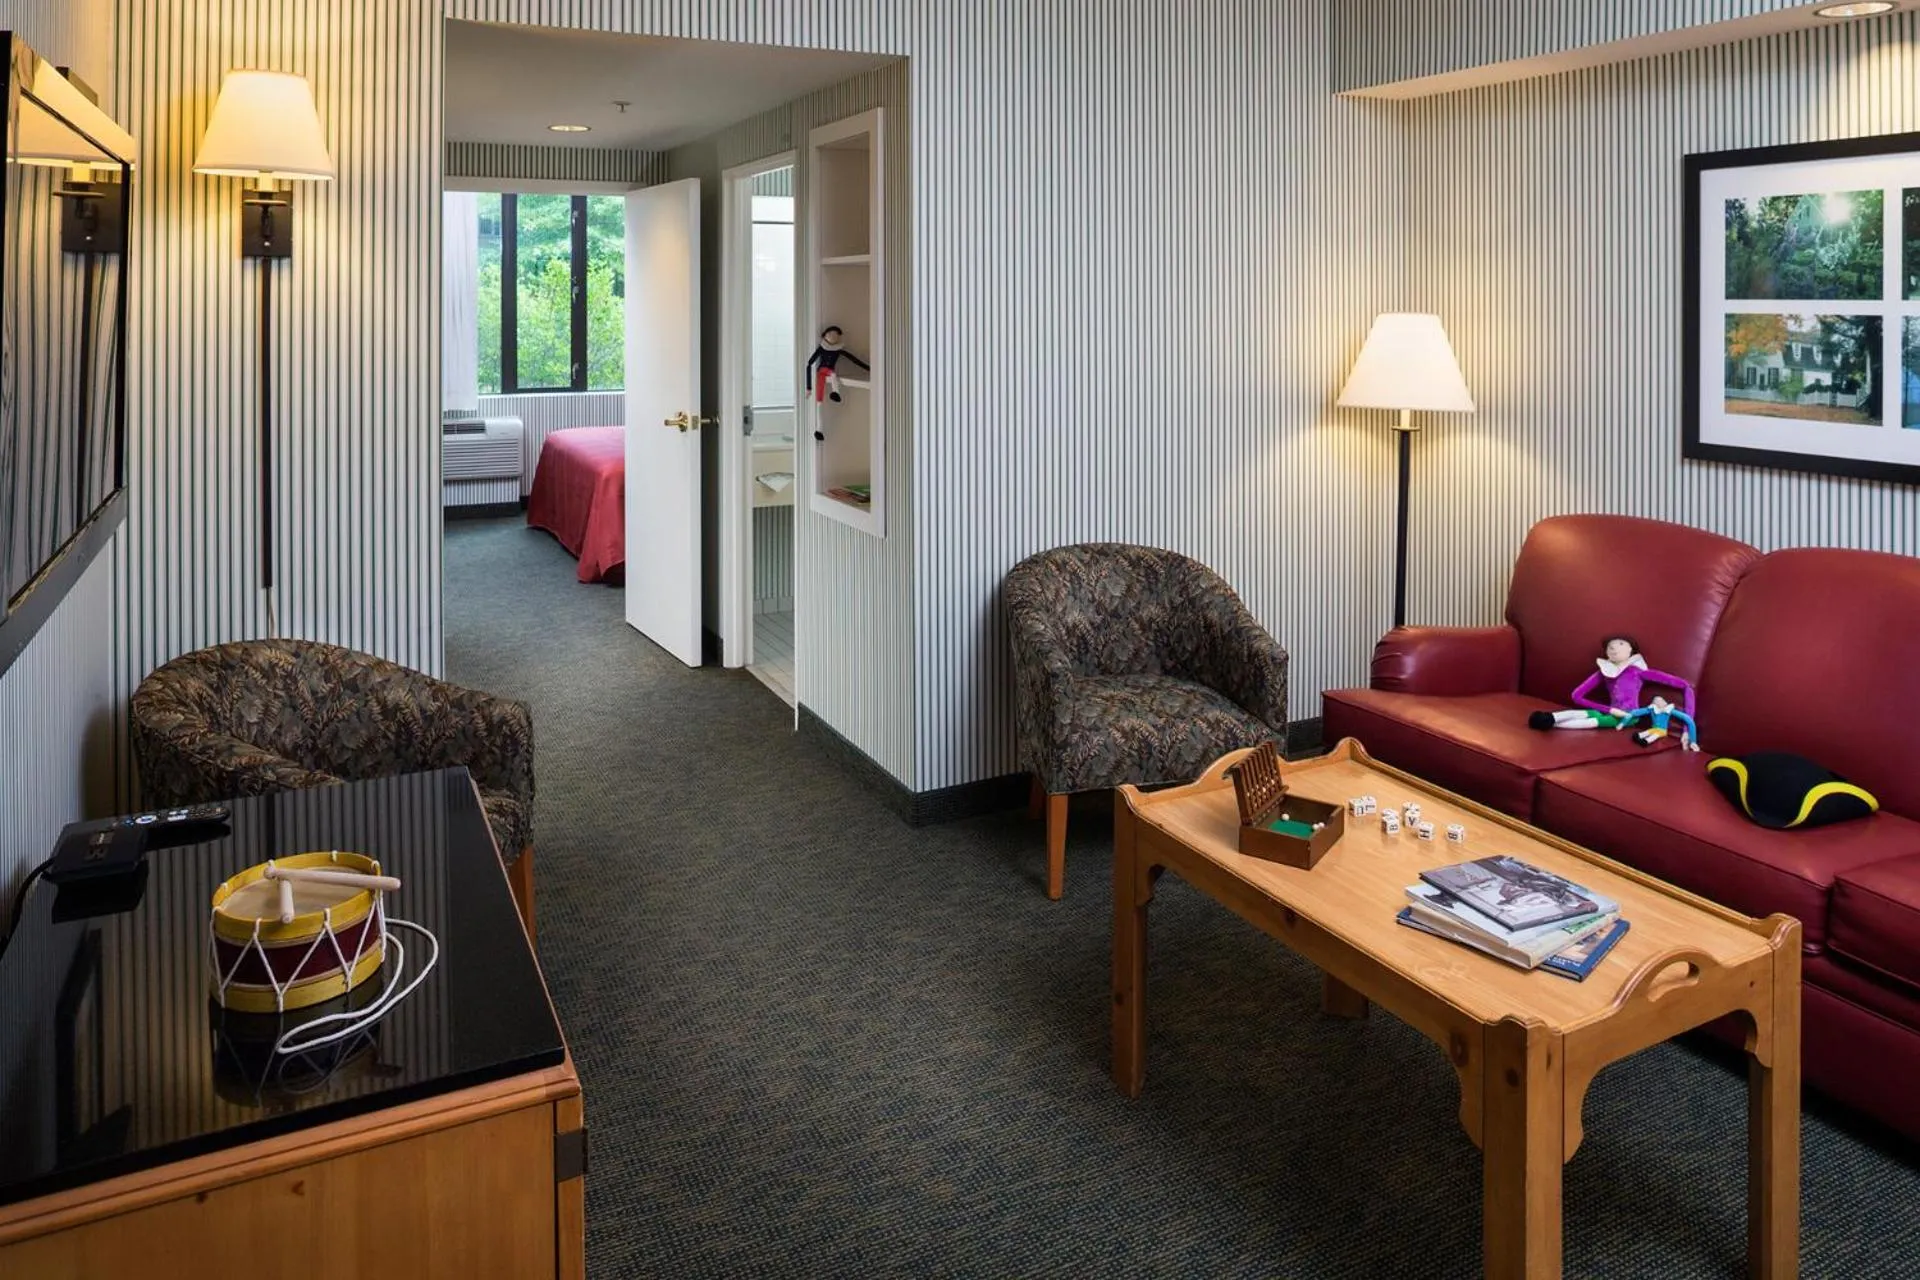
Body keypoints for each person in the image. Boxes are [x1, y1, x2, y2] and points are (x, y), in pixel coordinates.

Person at [1528, 635, 1697, 733]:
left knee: (1593, 721)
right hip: (1611, 712)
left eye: (1621, 644)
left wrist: (1687, 729)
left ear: (1632, 650)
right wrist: (1609, 709)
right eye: (1610, 647)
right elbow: (1576, 696)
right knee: (1586, 714)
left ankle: (1552, 724)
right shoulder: (1604, 672)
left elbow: (1685, 686)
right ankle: (1550, 718)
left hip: (1630, 717)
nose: (1614, 649)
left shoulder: (1638, 672)